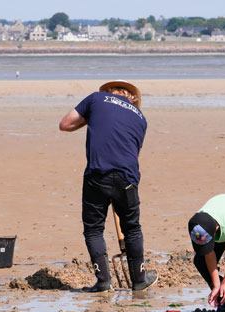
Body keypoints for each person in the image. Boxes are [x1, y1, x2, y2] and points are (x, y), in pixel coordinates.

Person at [59, 80, 157, 292]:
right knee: (132, 228)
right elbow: (133, 155)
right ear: (131, 97)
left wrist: (90, 119)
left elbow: (65, 124)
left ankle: (103, 282)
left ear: (111, 91)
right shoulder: (141, 118)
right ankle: (139, 280)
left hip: (98, 174)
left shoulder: (96, 98)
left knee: (94, 229)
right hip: (127, 178)